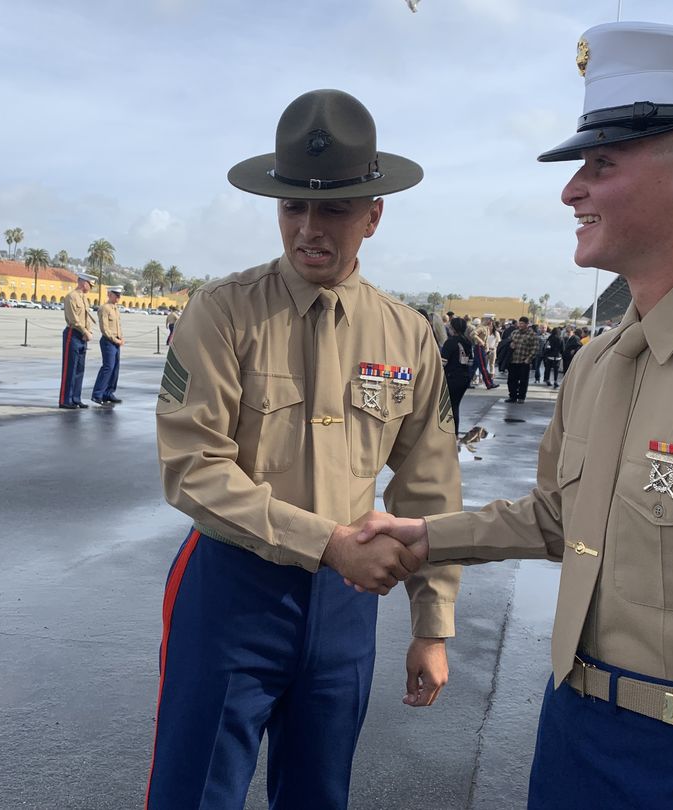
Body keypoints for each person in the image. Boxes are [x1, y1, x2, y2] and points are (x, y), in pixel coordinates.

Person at [355, 22, 673, 808]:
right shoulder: (599, 362)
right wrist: (425, 537)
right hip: (571, 734)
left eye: (602, 164)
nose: (571, 190)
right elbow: (558, 516)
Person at [148, 89, 463, 810]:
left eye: (336, 210)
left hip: (346, 609)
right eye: (293, 206)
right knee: (193, 793)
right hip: (233, 591)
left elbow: (429, 487)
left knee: (319, 795)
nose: (310, 229)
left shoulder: (407, 335)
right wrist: (327, 543)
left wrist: (432, 624)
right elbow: (193, 469)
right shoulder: (224, 312)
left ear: (374, 215)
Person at [58, 271, 95, 409]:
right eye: (90, 284)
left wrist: (88, 331)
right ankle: (65, 400)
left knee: (79, 369)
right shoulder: (71, 297)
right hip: (72, 334)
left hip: (82, 336)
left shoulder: (84, 298)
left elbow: (87, 317)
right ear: (83, 283)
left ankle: (75, 398)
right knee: (70, 368)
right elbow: (73, 319)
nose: (91, 287)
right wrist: (85, 331)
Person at [91, 285, 124, 406]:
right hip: (108, 341)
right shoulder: (104, 308)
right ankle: (97, 394)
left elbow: (118, 326)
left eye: (119, 295)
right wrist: (115, 339)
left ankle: (108, 393)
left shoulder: (115, 308)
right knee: (108, 367)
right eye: (116, 295)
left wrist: (121, 337)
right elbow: (104, 328)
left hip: (116, 341)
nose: (118, 298)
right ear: (109, 294)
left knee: (115, 369)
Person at [441, 316, 473, 435]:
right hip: (464, 377)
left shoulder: (450, 342)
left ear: (453, 328)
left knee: (448, 406)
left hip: (451, 377)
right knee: (455, 405)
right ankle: (454, 432)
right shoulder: (467, 342)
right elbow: (470, 361)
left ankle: (449, 432)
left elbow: (443, 362)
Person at [506, 316, 539, 403]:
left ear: (527, 324)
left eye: (522, 323)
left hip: (524, 361)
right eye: (519, 323)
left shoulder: (532, 335)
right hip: (513, 360)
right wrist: (510, 345)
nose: (520, 325)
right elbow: (507, 342)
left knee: (523, 381)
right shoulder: (514, 333)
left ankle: (521, 397)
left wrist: (528, 359)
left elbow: (535, 348)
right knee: (511, 380)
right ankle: (512, 396)